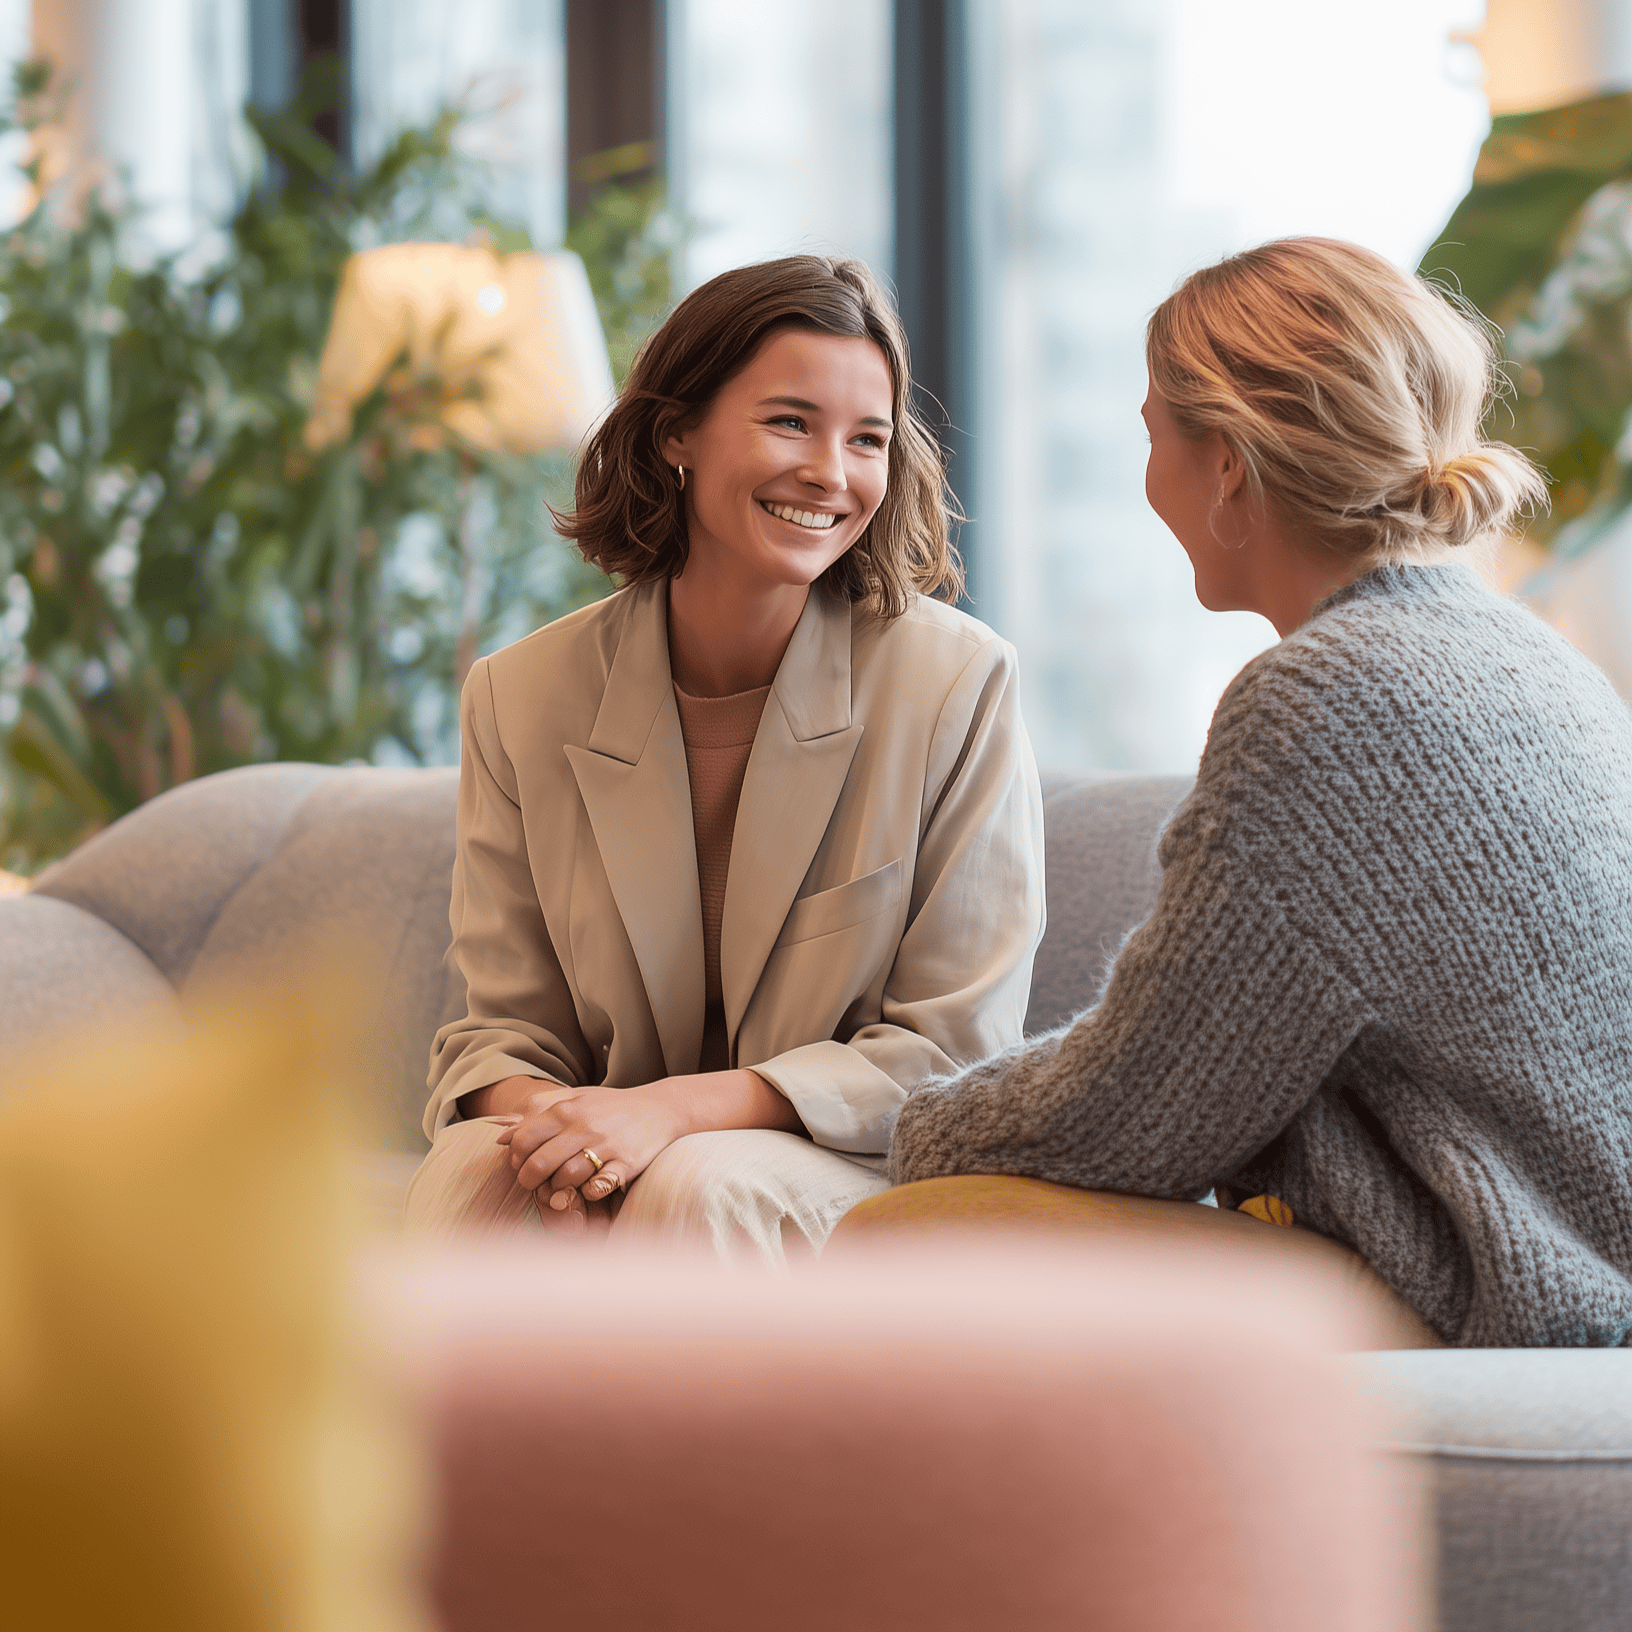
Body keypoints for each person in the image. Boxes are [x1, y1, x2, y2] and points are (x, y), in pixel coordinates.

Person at [877, 237, 1632, 1348]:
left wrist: (913, 1129)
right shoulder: (1523, 651)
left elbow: (1139, 1110)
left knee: (910, 1236)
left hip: (1515, 1296)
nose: (1147, 478)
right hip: (1587, 1263)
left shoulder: (1327, 699)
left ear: (1227, 461)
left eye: (1151, 436)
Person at [405, 255, 1046, 1260]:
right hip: (627, 1138)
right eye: (791, 421)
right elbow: (499, 1034)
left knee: (697, 1188)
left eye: (866, 439)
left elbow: (952, 1053)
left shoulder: (958, 687)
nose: (832, 472)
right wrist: (569, 1129)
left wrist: (670, 1115)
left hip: (847, 1154)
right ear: (676, 436)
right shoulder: (520, 697)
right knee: (481, 1173)